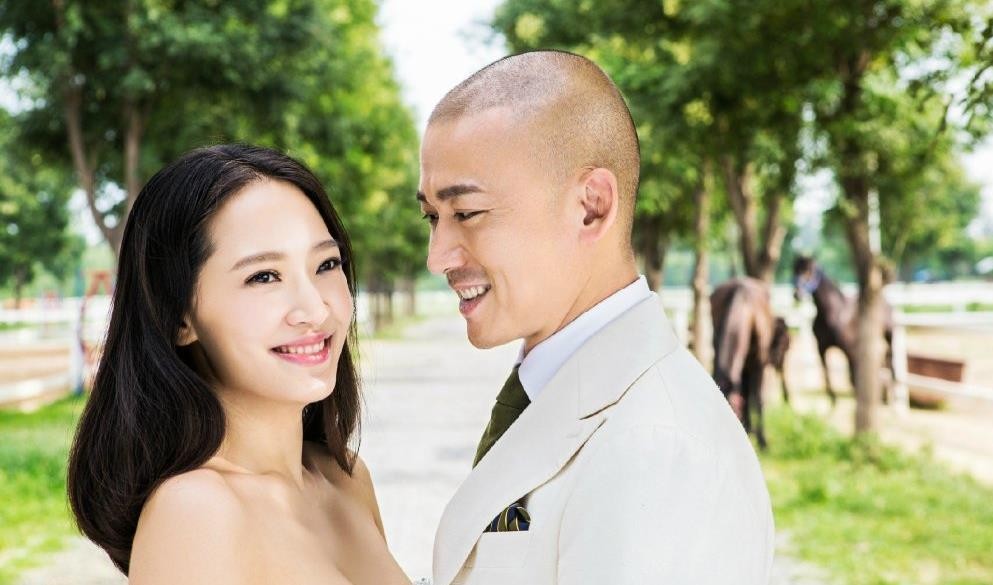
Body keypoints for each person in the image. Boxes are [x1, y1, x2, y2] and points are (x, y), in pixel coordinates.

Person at [417, 51, 774, 584]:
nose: (437, 256)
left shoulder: (653, 445)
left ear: (591, 207)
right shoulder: (564, 395)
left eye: (466, 213)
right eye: (432, 216)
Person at [67, 145, 410, 585]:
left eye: (326, 264)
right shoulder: (196, 511)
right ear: (180, 317)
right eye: (263, 276)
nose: (314, 309)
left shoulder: (346, 478)